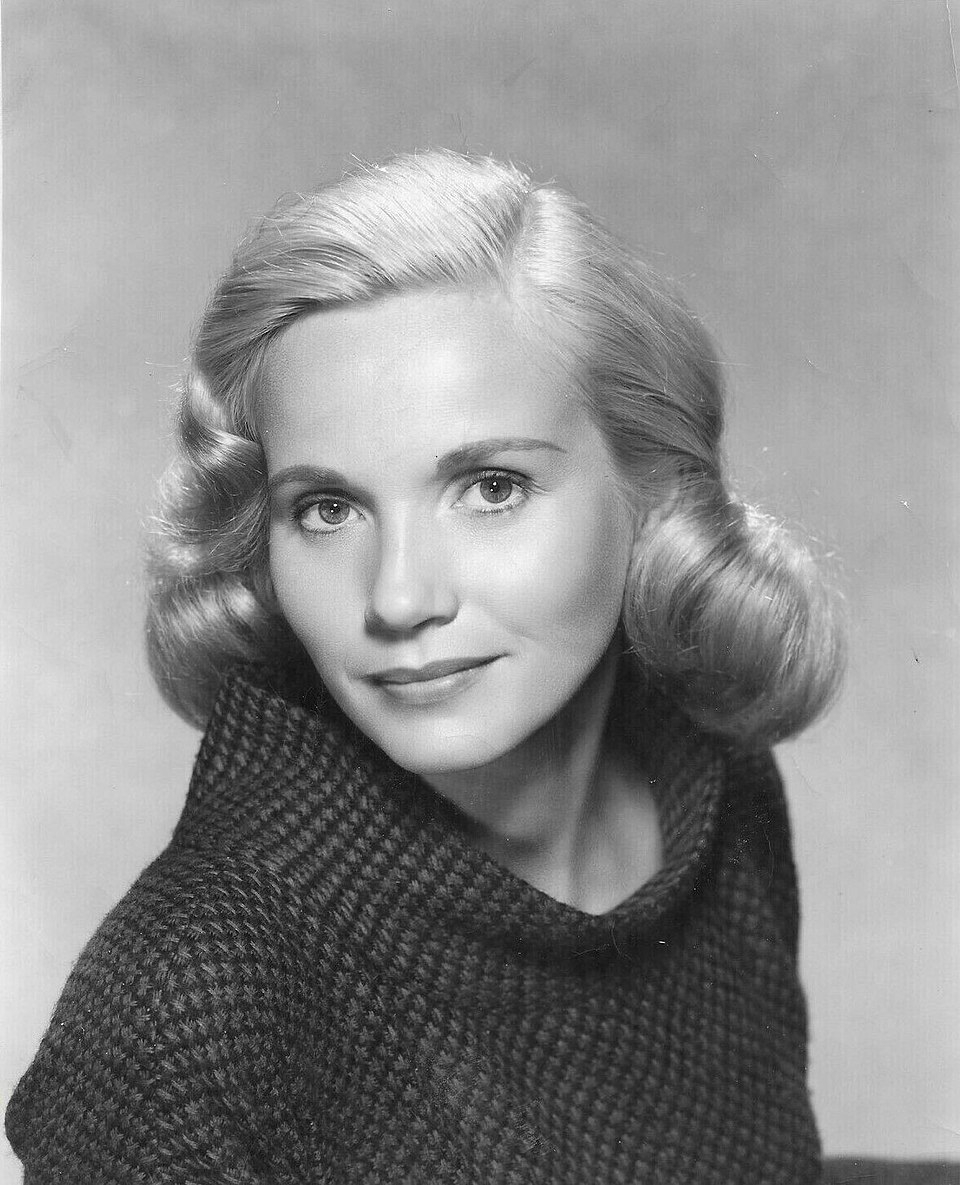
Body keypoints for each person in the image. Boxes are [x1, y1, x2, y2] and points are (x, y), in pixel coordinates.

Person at [6, 150, 844, 1183]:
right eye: (327, 509)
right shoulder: (186, 995)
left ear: (652, 490)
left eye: (490, 487)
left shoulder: (717, 788)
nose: (399, 599)